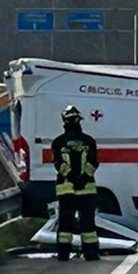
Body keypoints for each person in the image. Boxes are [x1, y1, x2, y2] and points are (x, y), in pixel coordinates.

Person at [52, 105, 101, 261]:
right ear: (79, 121)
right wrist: (83, 178)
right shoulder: (89, 141)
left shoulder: (58, 142)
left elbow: (58, 164)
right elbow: (94, 163)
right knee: (88, 224)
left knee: (65, 223)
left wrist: (72, 179)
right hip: (87, 188)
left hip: (66, 189)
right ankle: (91, 254)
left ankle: (63, 254)